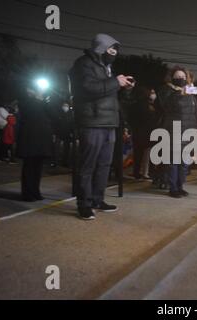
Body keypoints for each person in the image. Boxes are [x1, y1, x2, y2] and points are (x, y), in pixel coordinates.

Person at [69, 33, 134, 220]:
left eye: (116, 50)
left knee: (104, 165)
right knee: (87, 165)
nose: (114, 53)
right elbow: (88, 88)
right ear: (100, 47)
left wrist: (124, 88)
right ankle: (84, 204)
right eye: (111, 49)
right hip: (91, 122)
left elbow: (110, 95)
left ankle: (98, 199)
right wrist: (115, 81)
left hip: (109, 122)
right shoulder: (83, 64)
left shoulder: (106, 67)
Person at [161, 66, 197, 198]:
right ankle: (173, 188)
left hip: (188, 131)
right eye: (177, 77)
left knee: (184, 162)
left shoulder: (190, 93)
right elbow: (165, 106)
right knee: (173, 161)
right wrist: (180, 93)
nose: (181, 79)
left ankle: (180, 186)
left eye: (183, 77)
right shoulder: (167, 90)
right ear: (172, 78)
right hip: (173, 130)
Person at [17, 81, 55, 201]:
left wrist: (43, 100)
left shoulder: (43, 102)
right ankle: (27, 193)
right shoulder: (26, 102)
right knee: (29, 167)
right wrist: (38, 98)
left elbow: (52, 115)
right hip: (30, 139)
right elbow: (28, 113)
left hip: (41, 139)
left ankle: (35, 191)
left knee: (38, 167)